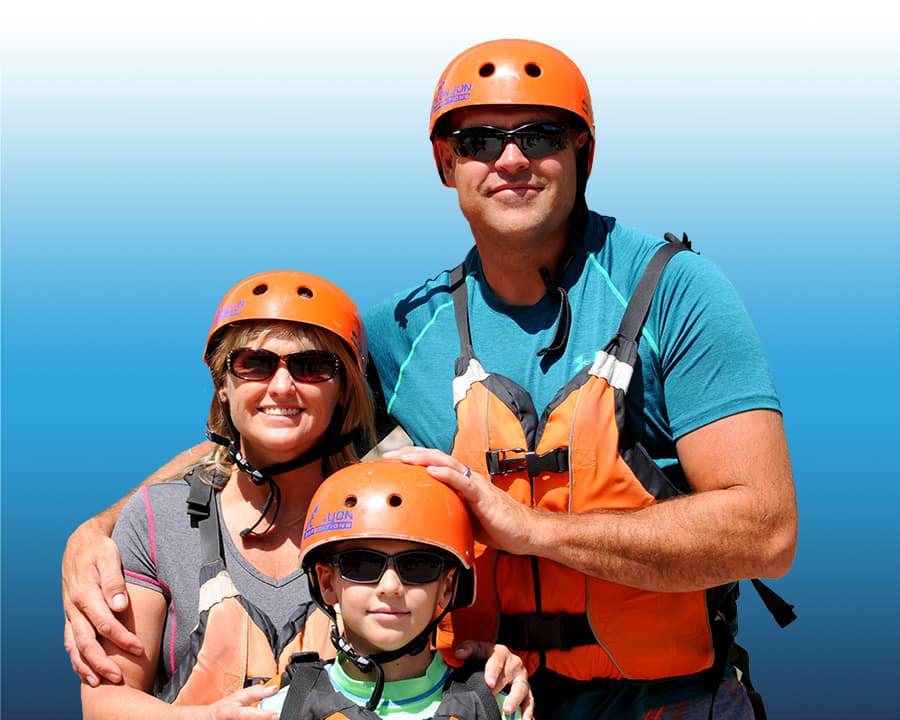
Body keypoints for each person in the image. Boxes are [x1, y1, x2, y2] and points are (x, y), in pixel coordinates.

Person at [63, 38, 796, 719]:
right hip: (478, 700)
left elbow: (767, 531)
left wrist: (535, 531)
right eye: (479, 141)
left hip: (674, 700)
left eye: (541, 135)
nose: (511, 159)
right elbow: (275, 428)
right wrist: (100, 529)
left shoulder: (676, 293)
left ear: (584, 153)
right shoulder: (401, 332)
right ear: (447, 163)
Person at [79, 269, 379, 719]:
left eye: (312, 366)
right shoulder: (160, 518)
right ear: (223, 383)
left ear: (343, 391)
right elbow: (105, 702)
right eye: (255, 363)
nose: (282, 386)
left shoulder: (388, 519)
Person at [257, 459, 522, 719]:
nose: (390, 586)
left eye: (417, 566)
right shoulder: (277, 709)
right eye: (362, 564)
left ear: (447, 586)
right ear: (326, 582)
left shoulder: (495, 707)